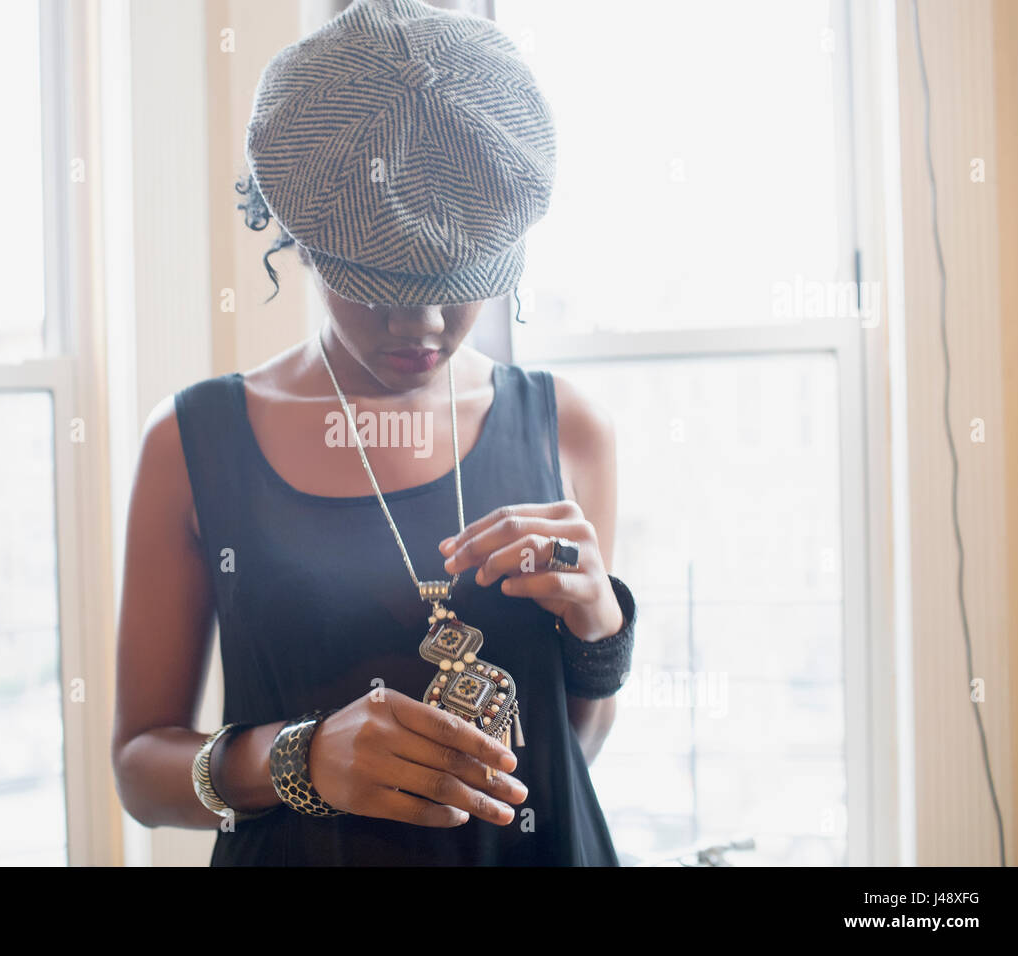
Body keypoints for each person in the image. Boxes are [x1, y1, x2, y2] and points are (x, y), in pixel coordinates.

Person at [110, 0, 637, 866]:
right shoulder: (193, 442)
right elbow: (140, 773)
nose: (423, 322)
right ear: (303, 242)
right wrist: (300, 759)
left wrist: (598, 626)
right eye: (379, 283)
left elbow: (571, 752)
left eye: (460, 282)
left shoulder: (570, 428)